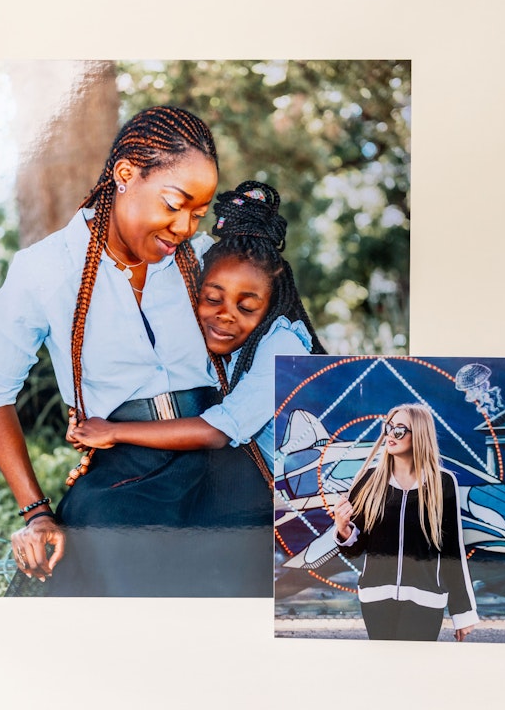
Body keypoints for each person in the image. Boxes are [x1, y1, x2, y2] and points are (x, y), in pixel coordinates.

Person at [0, 105, 264, 596]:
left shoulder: (202, 264)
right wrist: (35, 511)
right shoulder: (45, 270)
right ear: (126, 174)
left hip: (221, 459)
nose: (185, 228)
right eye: (174, 204)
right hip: (122, 477)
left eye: (198, 214)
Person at [68, 180, 326, 482]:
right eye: (213, 299)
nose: (225, 316)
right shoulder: (219, 342)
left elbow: (218, 430)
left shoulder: (282, 347)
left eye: (246, 308)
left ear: (270, 307)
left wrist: (113, 432)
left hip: (319, 499)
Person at [332, 404, 480, 641]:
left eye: (399, 430)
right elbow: (355, 549)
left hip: (427, 599)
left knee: (416, 672)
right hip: (376, 598)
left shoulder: (442, 483)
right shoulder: (369, 481)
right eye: (388, 428)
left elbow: (452, 551)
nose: (390, 434)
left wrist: (463, 612)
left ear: (419, 434)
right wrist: (342, 528)